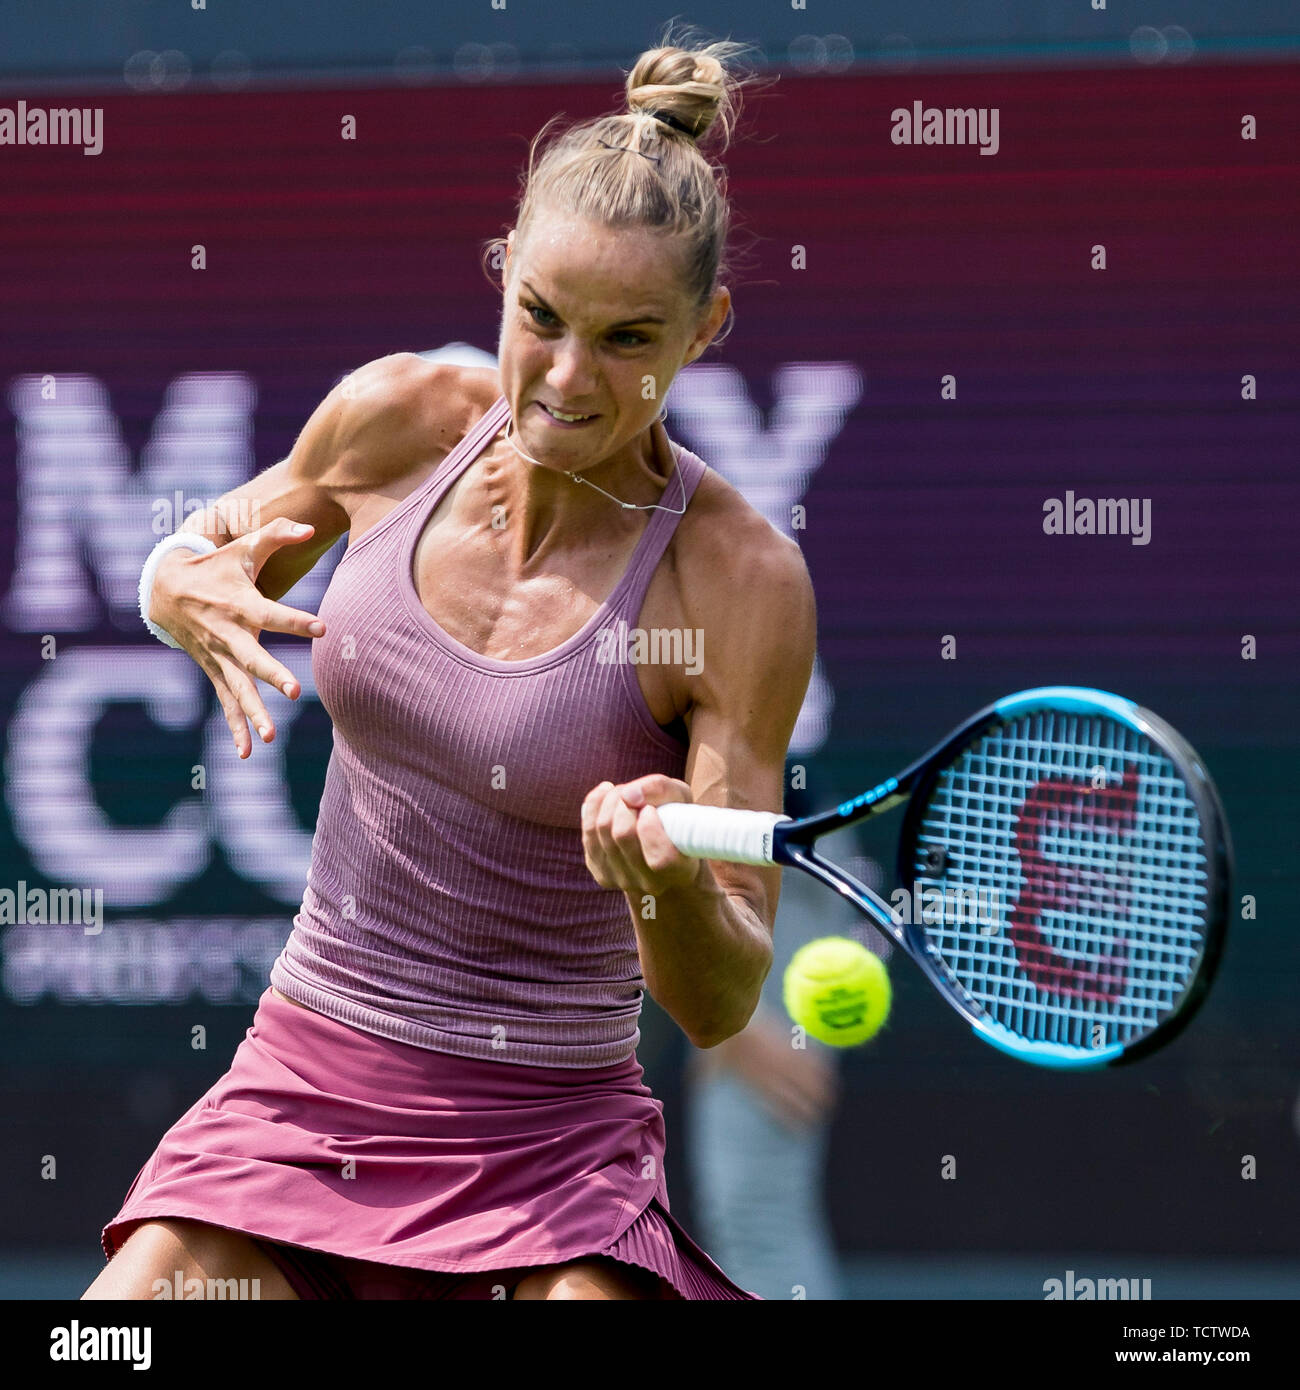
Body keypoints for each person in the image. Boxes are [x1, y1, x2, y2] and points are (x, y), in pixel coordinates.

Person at [84, 31, 815, 1301]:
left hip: (552, 1148)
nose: (566, 379)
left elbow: (720, 998)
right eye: (540, 317)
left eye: (627, 337)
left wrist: (661, 887)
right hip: (302, 1091)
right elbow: (202, 558)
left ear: (707, 331)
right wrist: (167, 583)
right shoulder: (399, 416)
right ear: (501, 274)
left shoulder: (737, 581)